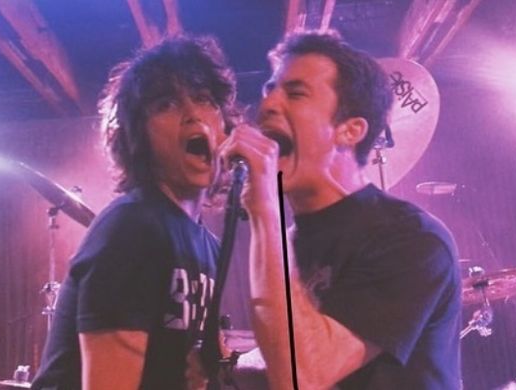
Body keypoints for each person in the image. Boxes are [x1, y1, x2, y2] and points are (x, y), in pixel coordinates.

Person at [219, 29, 462, 389]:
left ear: (350, 131)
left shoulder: (411, 239)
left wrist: (262, 208)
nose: (268, 104)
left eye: (296, 93)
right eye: (270, 89)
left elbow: (305, 374)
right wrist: (228, 369)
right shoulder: (288, 243)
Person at [31, 34, 238, 390]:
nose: (193, 116)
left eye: (204, 99)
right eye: (166, 104)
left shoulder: (210, 246)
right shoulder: (132, 228)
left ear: (224, 125)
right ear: (137, 135)